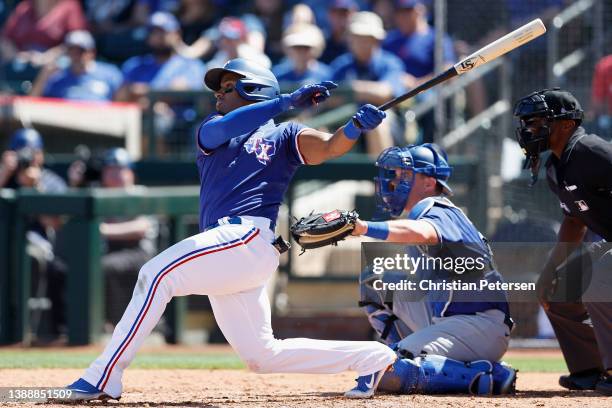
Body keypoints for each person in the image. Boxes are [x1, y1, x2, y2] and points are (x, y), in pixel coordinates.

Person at [60, 58, 397, 401]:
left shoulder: (285, 134)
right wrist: (285, 102)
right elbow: (224, 129)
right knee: (262, 356)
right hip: (232, 250)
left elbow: (329, 147)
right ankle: (372, 357)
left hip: (246, 238)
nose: (217, 94)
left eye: (227, 87)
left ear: (253, 90)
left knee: (156, 274)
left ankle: (104, 376)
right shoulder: (212, 128)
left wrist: (355, 127)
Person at [349, 143, 516, 395]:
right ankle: (409, 353)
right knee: (377, 278)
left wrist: (364, 228)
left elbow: (426, 233)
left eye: (403, 175)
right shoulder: (425, 212)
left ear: (428, 182)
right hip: (447, 318)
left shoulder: (437, 207)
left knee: (384, 371)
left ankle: (490, 375)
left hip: (478, 325)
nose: (393, 182)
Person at [514, 88, 612, 396]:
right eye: (527, 124)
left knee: (600, 277)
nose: (530, 130)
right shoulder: (556, 167)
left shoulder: (591, 150)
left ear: (566, 125)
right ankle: (590, 369)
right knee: (557, 290)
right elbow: (573, 223)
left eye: (538, 123)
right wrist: (549, 271)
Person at [330, 11, 407, 156]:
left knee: (376, 122)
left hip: (388, 127)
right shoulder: (341, 65)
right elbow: (329, 98)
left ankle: (382, 175)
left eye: (365, 38)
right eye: (355, 37)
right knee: (321, 125)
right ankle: (325, 178)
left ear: (376, 40)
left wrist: (351, 89)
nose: (359, 42)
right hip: (348, 123)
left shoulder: (390, 63)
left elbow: (386, 93)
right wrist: (365, 92)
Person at [30, 30, 123, 101]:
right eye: (71, 51)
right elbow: (32, 103)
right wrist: (44, 75)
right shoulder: (58, 77)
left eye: (80, 51)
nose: (75, 56)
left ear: (92, 52)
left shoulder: (110, 74)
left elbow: (122, 103)